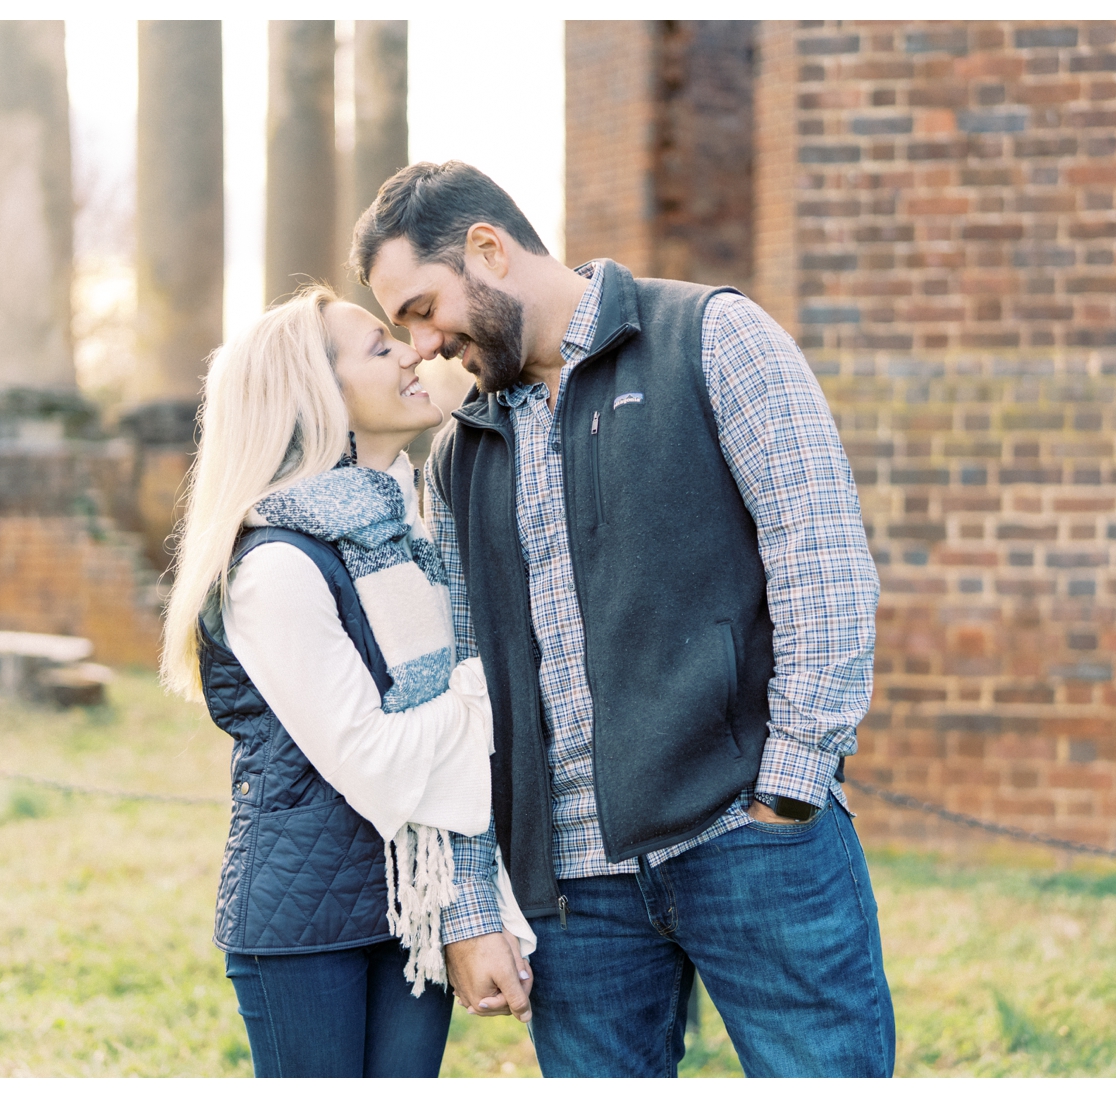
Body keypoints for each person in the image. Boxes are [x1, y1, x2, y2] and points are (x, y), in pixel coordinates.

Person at [350, 161, 896, 1078]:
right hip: (573, 896)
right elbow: (461, 694)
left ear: (487, 248)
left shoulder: (714, 337)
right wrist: (475, 901)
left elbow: (824, 563)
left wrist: (789, 791)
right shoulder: (457, 460)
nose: (420, 345)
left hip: (749, 843)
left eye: (420, 306)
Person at [159, 285, 534, 1078]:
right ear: (317, 395)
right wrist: (482, 694)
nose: (413, 351)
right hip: (307, 929)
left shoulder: (406, 532)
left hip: (408, 904)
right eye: (378, 346)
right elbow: (380, 761)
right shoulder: (278, 565)